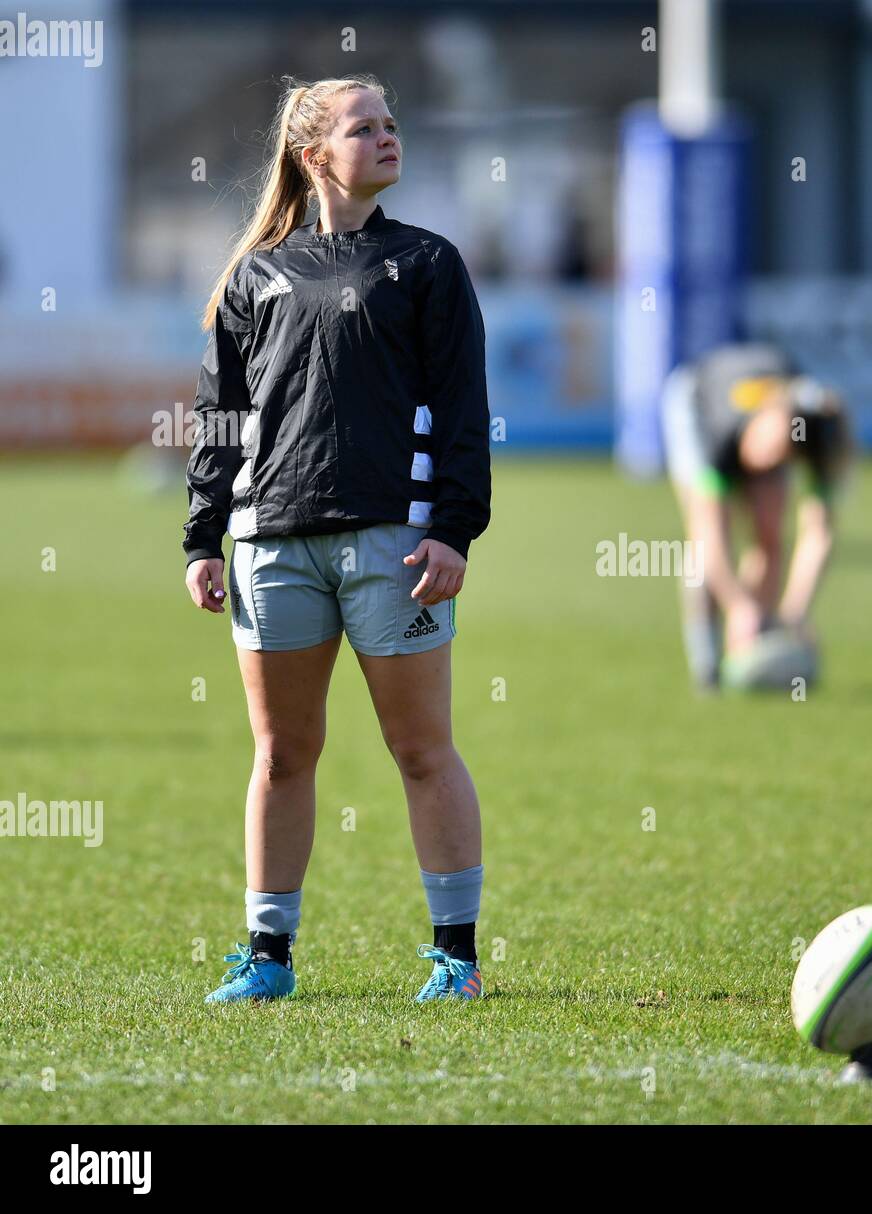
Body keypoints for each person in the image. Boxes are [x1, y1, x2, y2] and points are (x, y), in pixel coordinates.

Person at [182, 74, 491, 1004]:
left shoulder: (429, 265)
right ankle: (268, 960)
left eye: (392, 123)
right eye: (365, 127)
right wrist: (202, 537)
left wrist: (453, 532)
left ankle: (456, 959)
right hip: (272, 546)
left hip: (394, 549)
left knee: (422, 749)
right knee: (281, 755)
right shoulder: (255, 275)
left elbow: (467, 414)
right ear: (315, 155)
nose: (388, 137)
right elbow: (220, 416)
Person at [660, 342, 852, 689]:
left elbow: (819, 533)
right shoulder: (718, 433)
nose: (763, 467)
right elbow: (710, 539)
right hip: (694, 397)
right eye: (764, 453)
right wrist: (737, 605)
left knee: (769, 531)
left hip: (768, 417)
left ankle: (756, 643)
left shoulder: (816, 432)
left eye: (777, 461)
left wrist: (795, 612)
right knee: (700, 542)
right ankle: (707, 660)